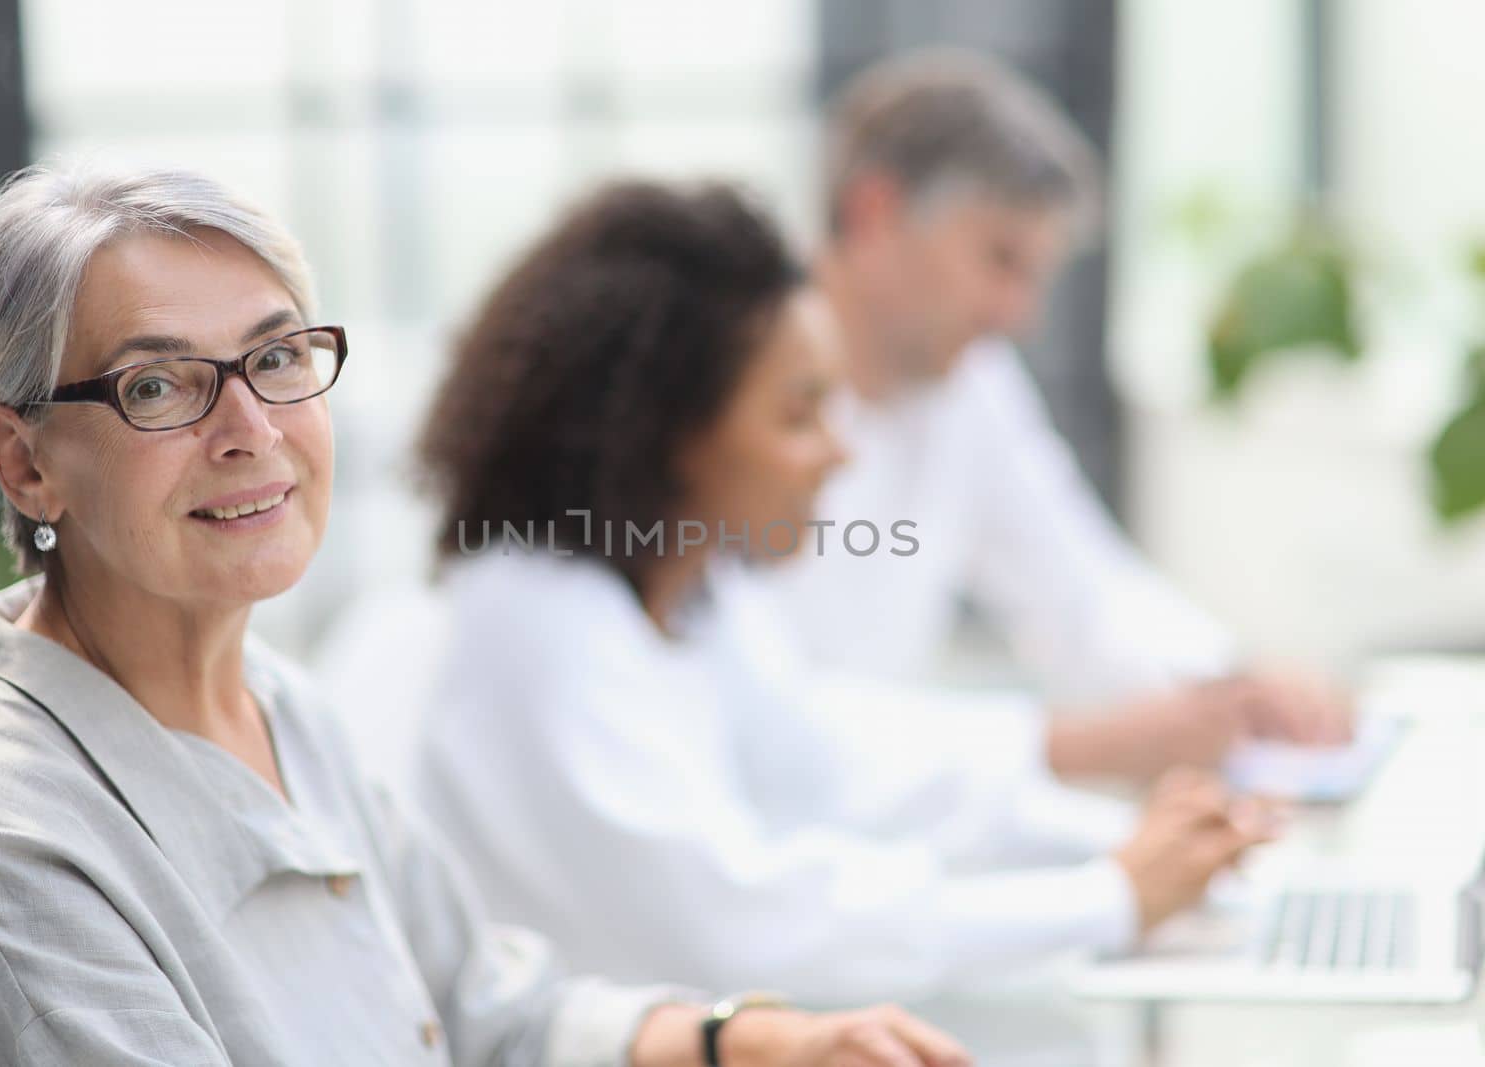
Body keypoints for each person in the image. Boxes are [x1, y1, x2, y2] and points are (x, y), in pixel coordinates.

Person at [0, 163, 971, 1067]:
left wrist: (750, 1038)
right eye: (160, 387)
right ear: (26, 463)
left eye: (275, 358)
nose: (251, 429)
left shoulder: (283, 711)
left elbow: (483, 1007)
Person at [411, 180, 1275, 1008]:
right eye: (798, 415)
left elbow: (833, 769)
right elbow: (751, 925)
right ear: (663, 431)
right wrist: (1107, 894)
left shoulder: (696, 595)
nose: (842, 452)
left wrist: (1128, 850)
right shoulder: (543, 630)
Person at [764, 48, 1350, 778]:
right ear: (874, 214)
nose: (1020, 315)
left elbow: (1080, 589)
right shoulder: (726, 393)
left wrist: (1234, 683)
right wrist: (1074, 746)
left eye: (1035, 275)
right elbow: (768, 722)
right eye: (999, 260)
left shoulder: (968, 385)